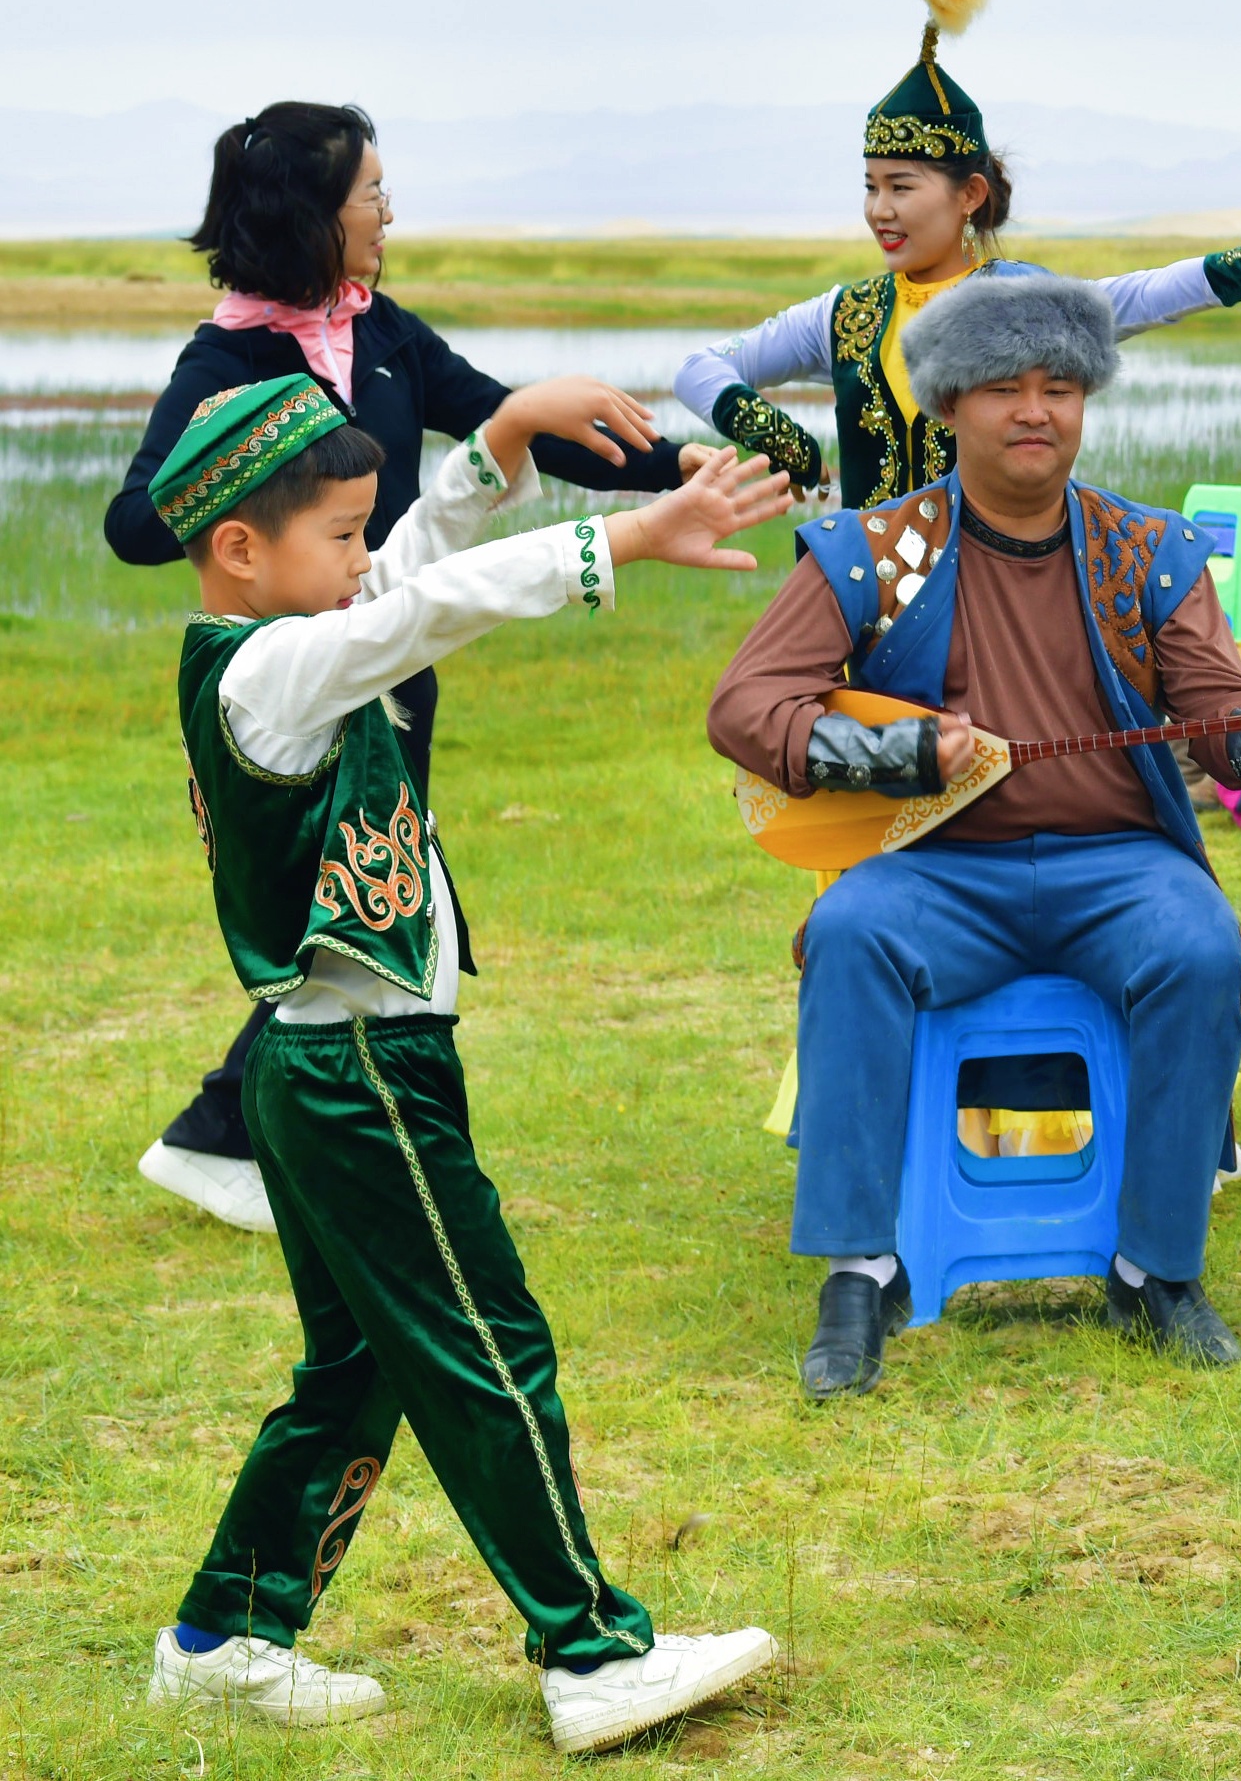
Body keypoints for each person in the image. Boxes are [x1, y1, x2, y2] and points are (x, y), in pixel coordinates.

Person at [143, 373, 789, 1750]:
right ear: (243, 551)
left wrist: (496, 446)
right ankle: (593, 1648)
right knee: (490, 1345)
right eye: (339, 533)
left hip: (332, 1072)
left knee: (356, 1370)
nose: (365, 557)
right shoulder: (266, 668)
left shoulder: (295, 627)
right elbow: (427, 604)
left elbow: (404, 575)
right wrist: (616, 539)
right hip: (361, 1076)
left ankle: (227, 1632)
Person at [705, 274, 1241, 1395]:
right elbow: (744, 707)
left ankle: (1154, 1271)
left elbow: (1215, 703)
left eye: (1058, 385)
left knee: (1197, 950)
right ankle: (859, 1274)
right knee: (852, 933)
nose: (1034, 410)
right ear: (948, 406)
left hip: (1120, 866)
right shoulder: (871, 551)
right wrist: (898, 758)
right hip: (937, 872)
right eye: (1002, 387)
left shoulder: (1146, 550)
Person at [109, 101, 704, 1239]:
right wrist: (248, 487)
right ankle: (247, 1138)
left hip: (386, 659)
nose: (388, 214)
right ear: (308, 217)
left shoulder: (379, 333)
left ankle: (258, 1138)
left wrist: (678, 469)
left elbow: (495, 429)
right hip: (302, 669)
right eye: (370, 195)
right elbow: (140, 520)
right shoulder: (226, 360)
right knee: (337, 920)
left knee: (380, 904)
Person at [673, 0, 1241, 509]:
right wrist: (778, 436)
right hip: (864, 611)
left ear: (969, 194)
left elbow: (1149, 296)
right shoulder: (844, 318)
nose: (881, 209)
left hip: (986, 600)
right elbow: (700, 369)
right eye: (871, 186)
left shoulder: (1020, 304)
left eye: (902, 187)